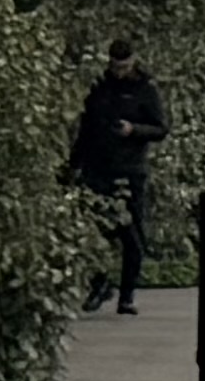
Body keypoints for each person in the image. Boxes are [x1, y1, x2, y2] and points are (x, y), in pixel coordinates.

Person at [67, 36, 172, 314]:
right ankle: (99, 284)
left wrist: (134, 130)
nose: (119, 72)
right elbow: (86, 128)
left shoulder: (145, 89)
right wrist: (73, 164)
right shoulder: (101, 87)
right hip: (98, 166)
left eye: (124, 67)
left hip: (130, 168)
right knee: (97, 230)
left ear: (133, 62)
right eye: (115, 67)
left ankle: (127, 294)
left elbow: (161, 128)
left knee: (131, 233)